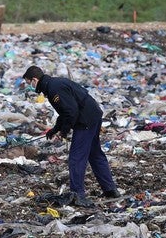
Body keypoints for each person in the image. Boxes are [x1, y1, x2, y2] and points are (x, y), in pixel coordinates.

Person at [22, 65, 120, 206]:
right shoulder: (53, 84)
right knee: (95, 153)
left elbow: (71, 111)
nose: (29, 86)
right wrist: (55, 129)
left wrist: (64, 132)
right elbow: (65, 111)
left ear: (35, 80)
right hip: (93, 115)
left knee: (76, 158)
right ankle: (110, 189)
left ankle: (78, 194)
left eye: (28, 82)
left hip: (85, 120)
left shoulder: (53, 88)